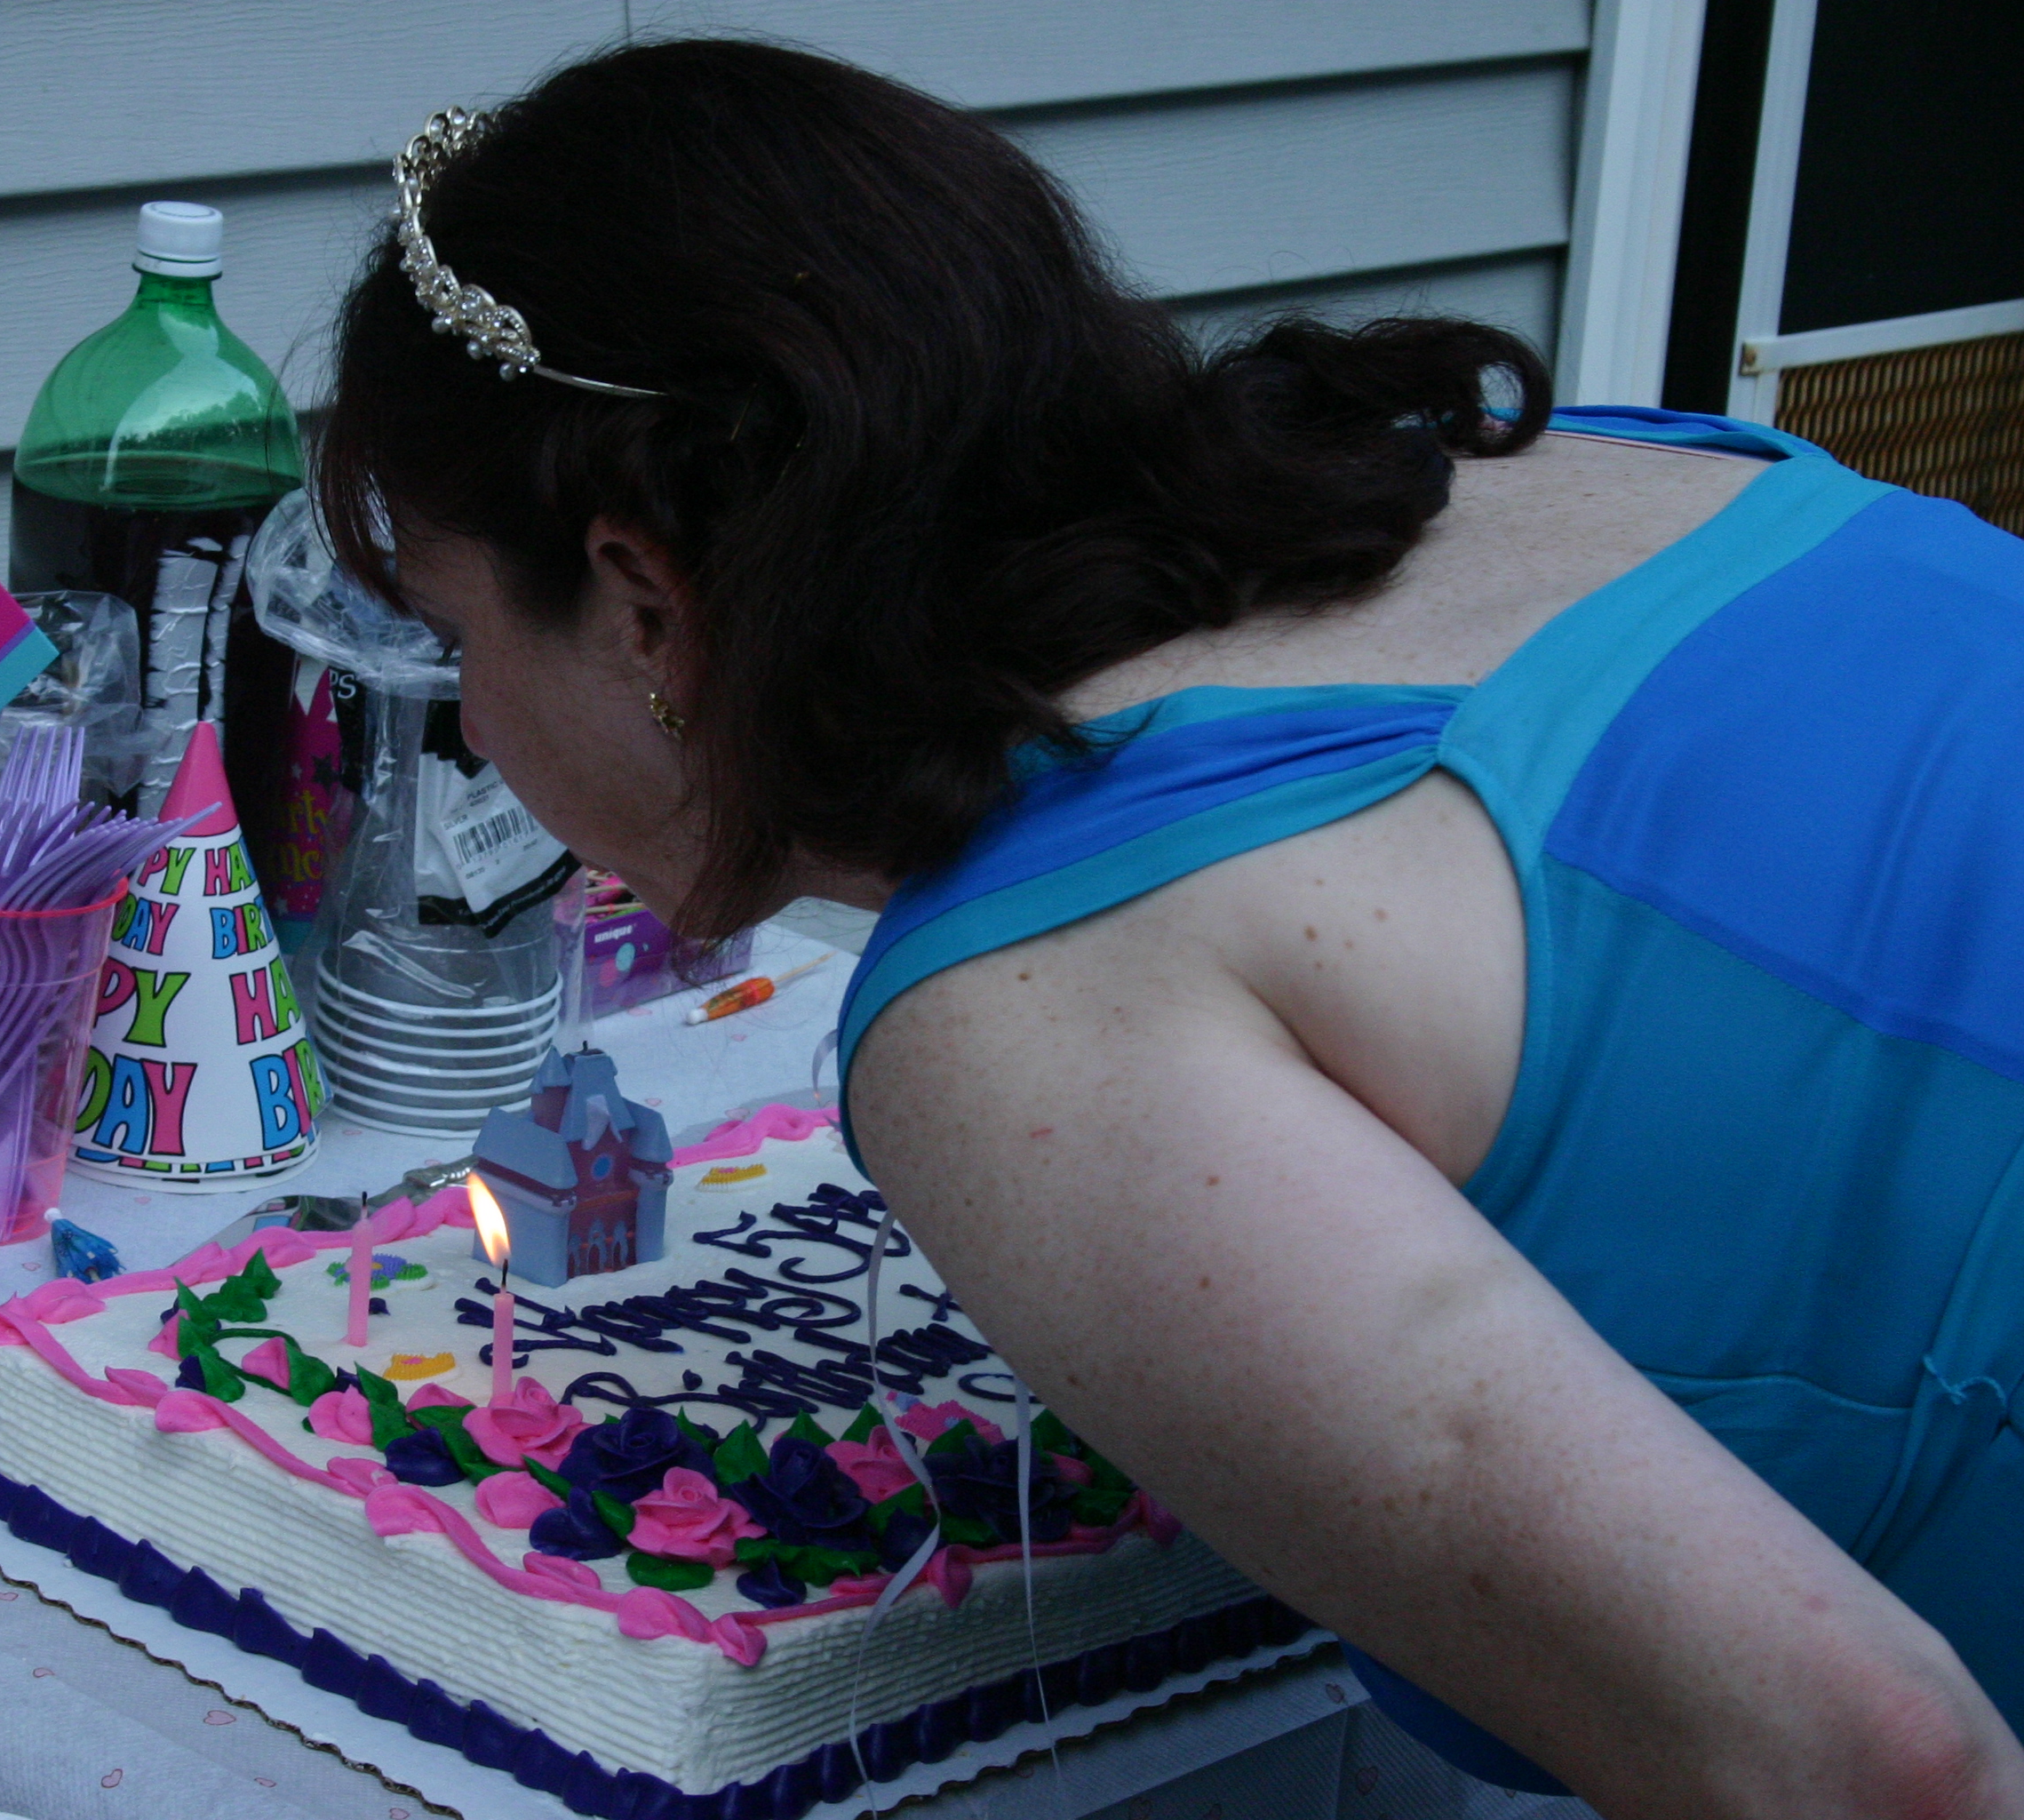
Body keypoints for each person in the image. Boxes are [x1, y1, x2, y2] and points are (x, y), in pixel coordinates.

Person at [314, 38, 2024, 1818]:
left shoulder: (1024, 1007)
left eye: (452, 636)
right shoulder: (1572, 462)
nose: (474, 722)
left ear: (643, 601)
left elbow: (1875, 1765)